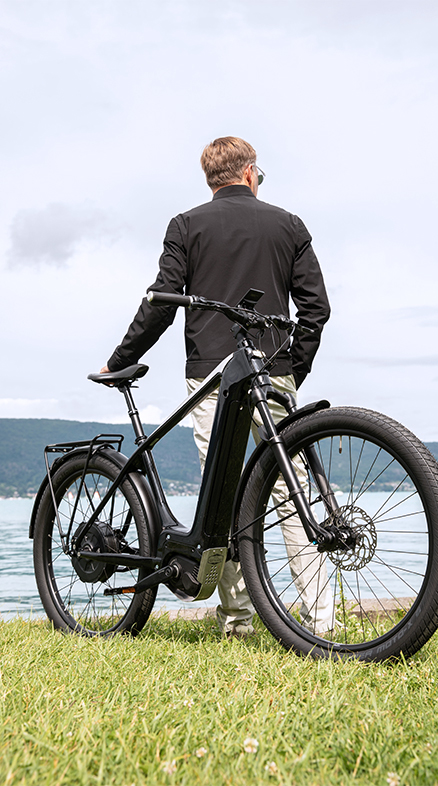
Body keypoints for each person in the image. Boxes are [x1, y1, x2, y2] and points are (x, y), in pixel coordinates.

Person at [101, 136, 333, 637]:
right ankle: (321, 620)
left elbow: (162, 303)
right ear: (251, 173)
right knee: (291, 493)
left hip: (210, 375)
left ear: (211, 180)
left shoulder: (186, 225)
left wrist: (121, 360)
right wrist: (293, 368)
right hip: (273, 369)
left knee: (221, 495)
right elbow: (316, 309)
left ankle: (237, 621)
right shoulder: (288, 224)